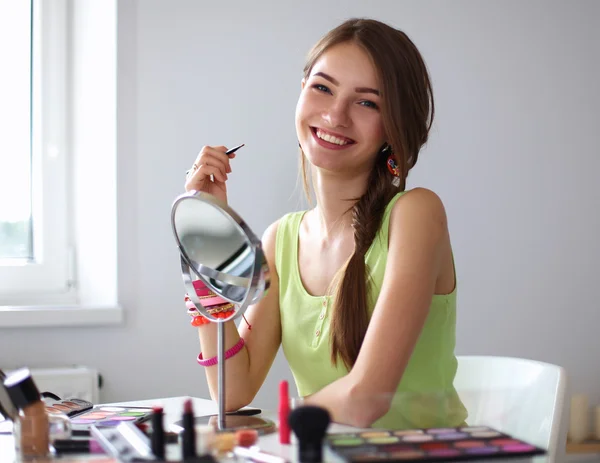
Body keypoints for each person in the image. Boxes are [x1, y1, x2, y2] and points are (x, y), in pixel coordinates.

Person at [183, 17, 467, 429]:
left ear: (394, 125)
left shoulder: (416, 214)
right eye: (323, 88)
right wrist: (206, 237)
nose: (335, 115)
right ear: (302, 92)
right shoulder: (281, 239)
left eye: (366, 102)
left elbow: (366, 399)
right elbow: (232, 391)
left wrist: (283, 420)